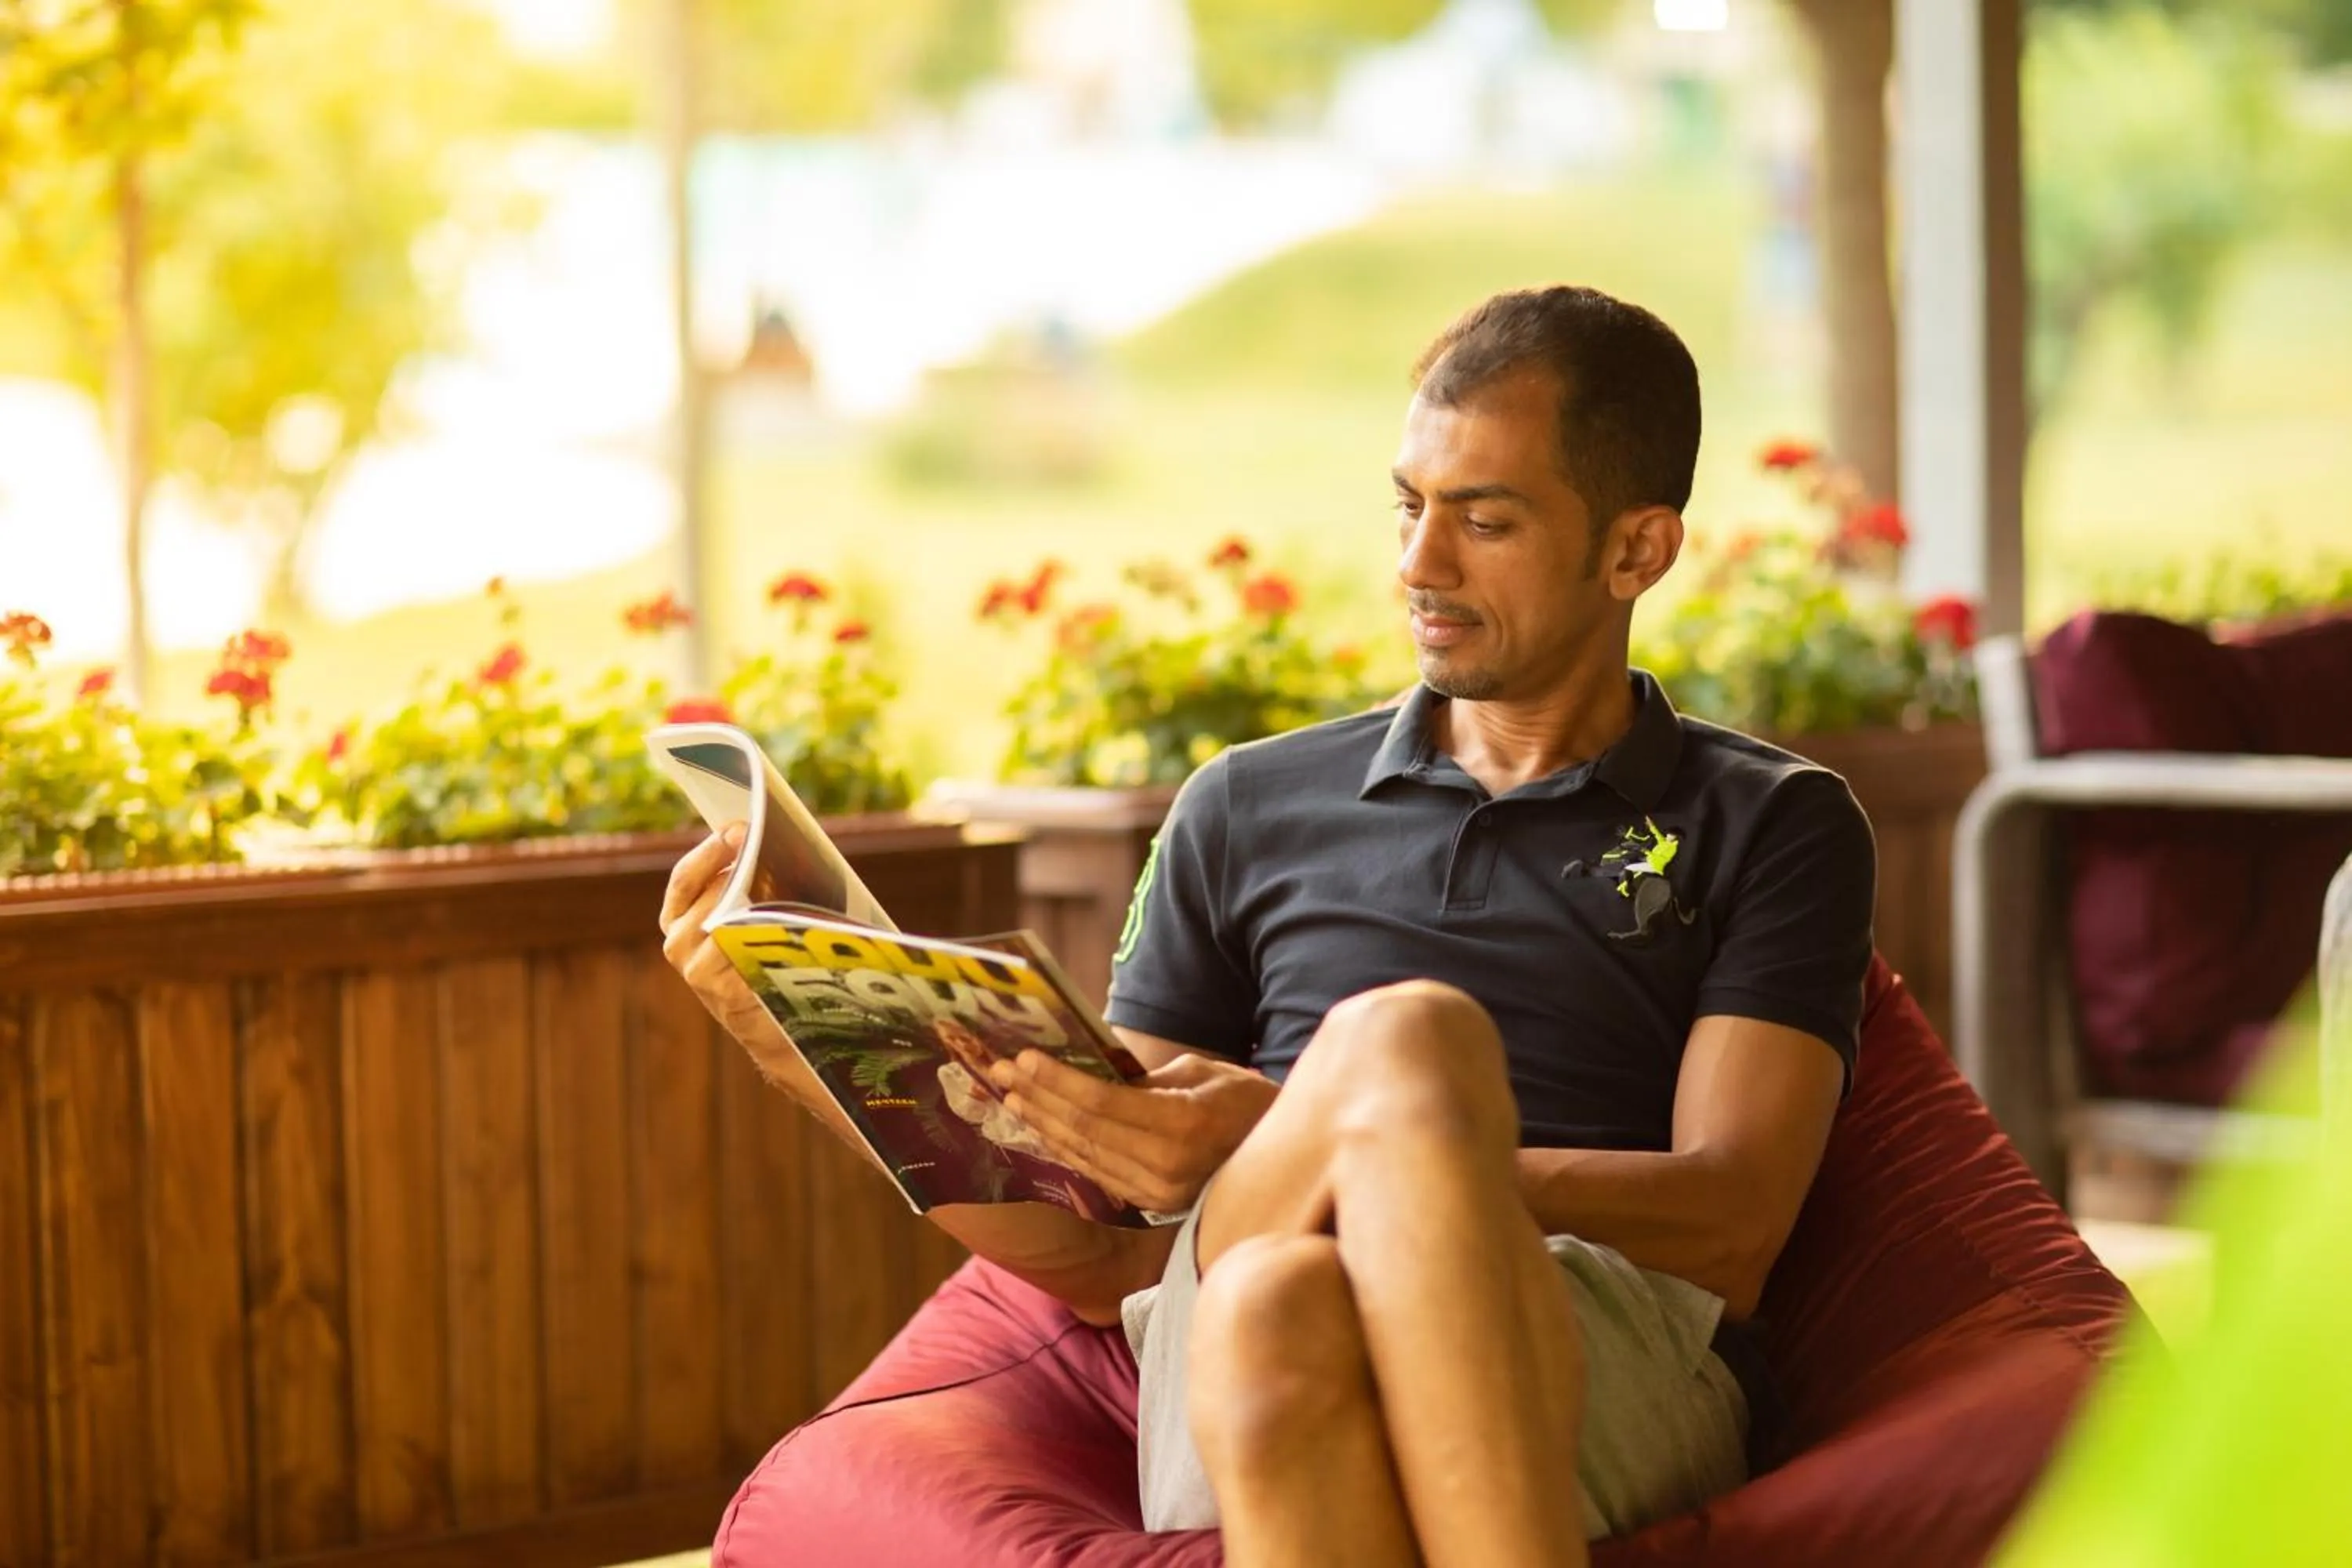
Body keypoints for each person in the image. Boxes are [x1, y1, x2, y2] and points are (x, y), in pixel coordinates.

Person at [660, 285, 1873, 1566]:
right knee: (1331, 1186)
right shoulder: (1244, 806)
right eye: (1410, 506)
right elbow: (1097, 1250)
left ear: (1637, 552)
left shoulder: (1774, 820)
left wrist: (1342, 1135)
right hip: (1226, 1328)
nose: (1420, 565)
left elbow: (1736, 1220)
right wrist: (796, 1043)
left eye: (1486, 520)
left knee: (1371, 1120)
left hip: (1597, 1338)